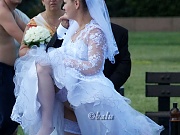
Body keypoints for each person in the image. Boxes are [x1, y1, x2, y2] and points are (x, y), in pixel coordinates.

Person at [12, 0, 164, 135]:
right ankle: (46, 124)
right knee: (41, 65)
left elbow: (94, 67)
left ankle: (46, 125)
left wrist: (64, 60)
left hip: (89, 92)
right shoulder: (74, 29)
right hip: (70, 87)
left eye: (66, 2)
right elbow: (57, 52)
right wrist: (61, 41)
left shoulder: (95, 31)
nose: (64, 6)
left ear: (77, 4)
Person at [0, 0, 26, 134]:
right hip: (1, 71)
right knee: (6, 117)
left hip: (9, 71)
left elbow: (30, 29)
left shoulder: (12, 12)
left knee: (12, 116)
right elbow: (24, 39)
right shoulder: (1, 9)